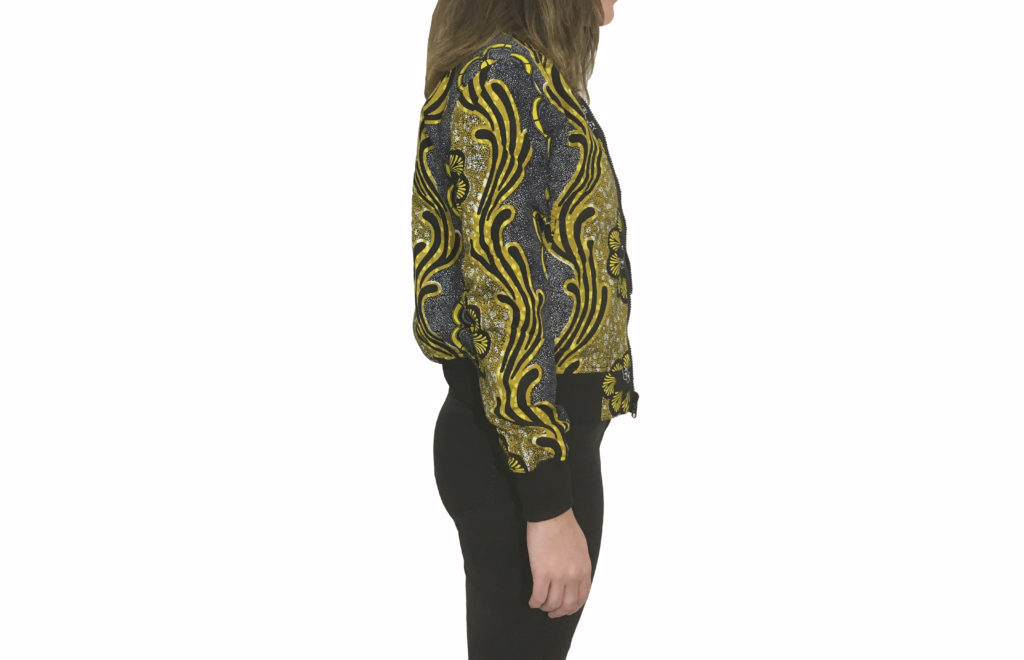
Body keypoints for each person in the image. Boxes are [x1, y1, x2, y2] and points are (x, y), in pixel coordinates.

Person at [409, 1, 638, 657]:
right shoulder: (501, 79)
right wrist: (545, 502)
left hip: (534, 441)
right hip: (522, 449)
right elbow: (501, 293)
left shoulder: (523, 75)